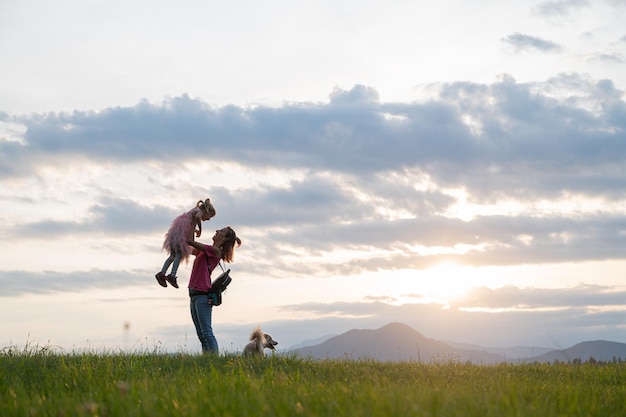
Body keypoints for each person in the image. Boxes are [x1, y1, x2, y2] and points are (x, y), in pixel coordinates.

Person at [187, 226, 241, 353]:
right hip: (194, 295)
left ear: (225, 238)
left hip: (202, 296)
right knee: (201, 333)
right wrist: (191, 231)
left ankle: (214, 359)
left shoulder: (214, 251)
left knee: (206, 332)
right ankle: (208, 359)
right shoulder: (205, 251)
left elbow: (190, 242)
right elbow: (188, 246)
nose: (217, 231)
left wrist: (194, 222)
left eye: (221, 231)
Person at [156, 198, 216, 289]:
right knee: (179, 255)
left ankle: (162, 273)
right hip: (180, 234)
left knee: (173, 255)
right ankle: (172, 275)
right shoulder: (199, 211)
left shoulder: (193, 211)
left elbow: (189, 224)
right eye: (210, 216)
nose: (208, 219)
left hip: (175, 233)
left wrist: (194, 229)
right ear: (207, 211)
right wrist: (200, 229)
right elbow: (197, 217)